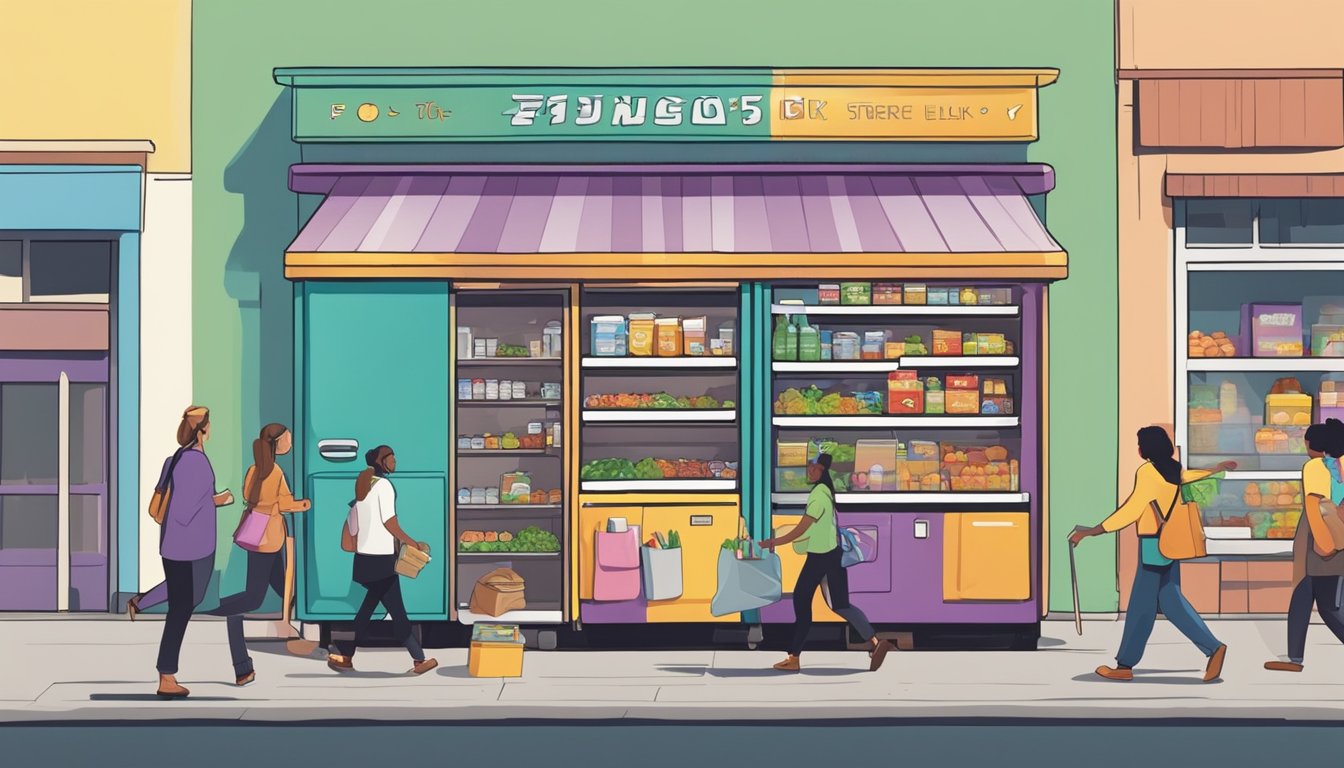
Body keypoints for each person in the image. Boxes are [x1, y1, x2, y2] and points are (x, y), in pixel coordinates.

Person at [1071, 426, 1234, 682]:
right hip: (1171, 543)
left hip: (1152, 544)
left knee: (1141, 607)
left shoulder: (1148, 472)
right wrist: (1215, 468)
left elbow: (1132, 510)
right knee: (1170, 602)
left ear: (1143, 449)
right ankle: (1212, 648)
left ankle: (1126, 665)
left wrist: (1092, 531)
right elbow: (1191, 478)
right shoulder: (1175, 469)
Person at [759, 452, 894, 673]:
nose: (809, 471)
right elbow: (811, 530)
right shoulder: (822, 492)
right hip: (822, 556)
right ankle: (873, 644)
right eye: (809, 466)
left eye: (813, 467)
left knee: (830, 604)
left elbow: (802, 528)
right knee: (821, 604)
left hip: (826, 558)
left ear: (823, 471)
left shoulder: (820, 495)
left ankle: (875, 643)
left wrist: (773, 542)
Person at [208, 423, 311, 686]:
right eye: (287, 439)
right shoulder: (274, 471)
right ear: (277, 444)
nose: (290, 443)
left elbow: (248, 495)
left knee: (282, 586)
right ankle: (214, 609)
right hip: (268, 536)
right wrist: (305, 504)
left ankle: (301, 624)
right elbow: (284, 502)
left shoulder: (256, 469)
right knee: (253, 598)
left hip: (259, 534)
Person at [327, 445, 437, 675]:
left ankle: (345, 655)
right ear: (381, 462)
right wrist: (410, 541)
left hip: (366, 557)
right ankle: (418, 660)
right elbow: (390, 522)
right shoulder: (384, 486)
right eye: (392, 459)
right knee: (397, 611)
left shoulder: (365, 485)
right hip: (381, 558)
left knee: (368, 609)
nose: (395, 462)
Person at [147, 406, 234, 698]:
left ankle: (166, 671)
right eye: (210, 425)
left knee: (184, 603)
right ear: (202, 430)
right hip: (192, 546)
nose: (212, 429)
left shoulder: (173, 460)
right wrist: (221, 499)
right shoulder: (196, 462)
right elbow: (188, 507)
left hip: (172, 544)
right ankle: (166, 676)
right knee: (184, 606)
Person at [1264, 418, 1344, 673]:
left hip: (1318, 543)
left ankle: (1294, 659)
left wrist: (1323, 544)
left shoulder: (1314, 467)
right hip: (1333, 539)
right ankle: (1294, 658)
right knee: (1304, 599)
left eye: (1307, 442)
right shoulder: (1340, 466)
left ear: (1316, 445)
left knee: (1328, 607)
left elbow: (1314, 505)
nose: (1305, 446)